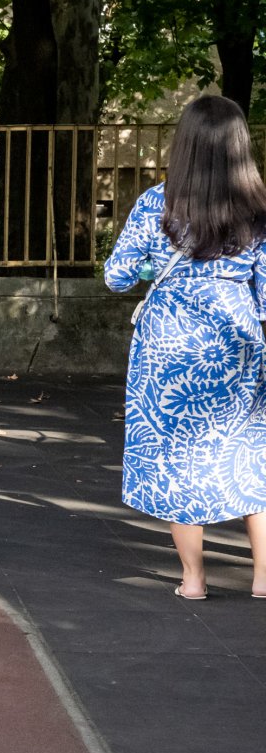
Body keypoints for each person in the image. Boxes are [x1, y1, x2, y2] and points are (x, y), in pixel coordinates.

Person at [104, 94, 266, 601]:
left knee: (178, 462)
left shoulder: (158, 202)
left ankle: (193, 580)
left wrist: (158, 266)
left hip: (167, 348)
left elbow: (116, 277)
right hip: (236, 342)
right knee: (250, 457)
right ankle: (263, 577)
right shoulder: (258, 211)